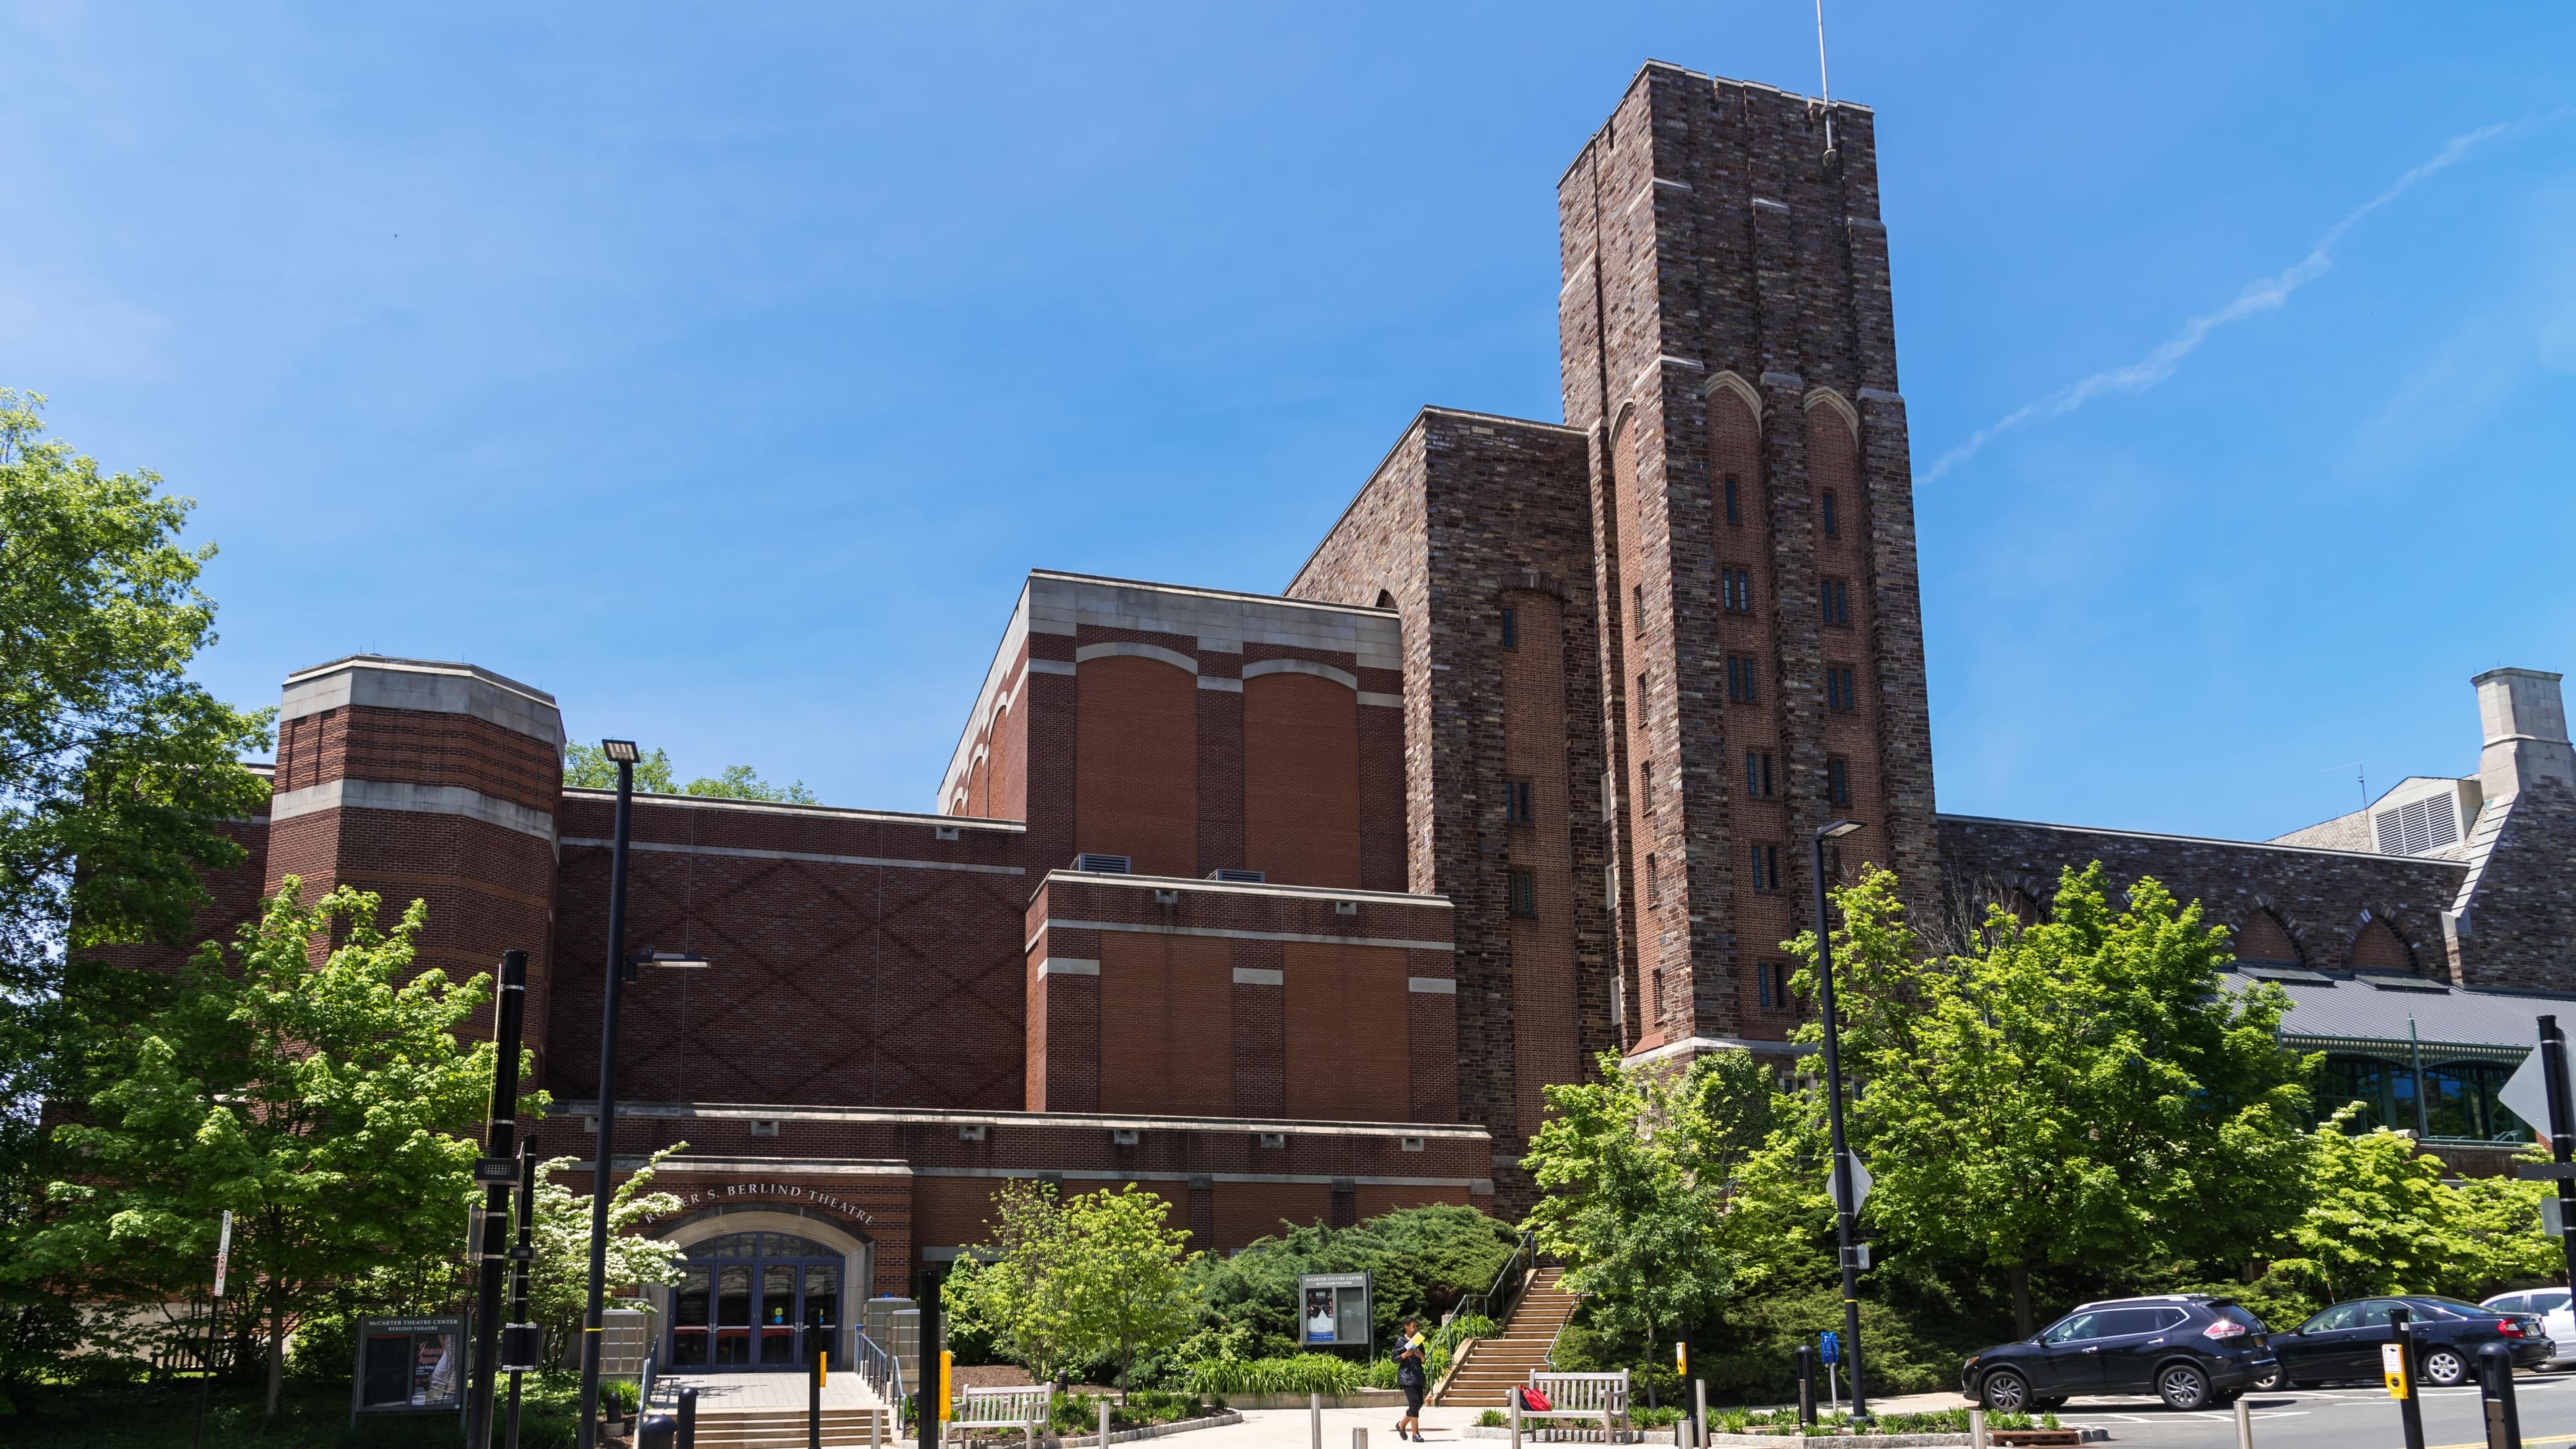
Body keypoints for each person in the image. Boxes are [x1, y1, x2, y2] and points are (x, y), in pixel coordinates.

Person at [1393, 1317, 1429, 1442]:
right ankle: (1415, 1434)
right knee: (1414, 1402)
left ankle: (1402, 1425)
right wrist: (1405, 1354)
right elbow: (1394, 1359)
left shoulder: (1418, 1340)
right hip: (1406, 1376)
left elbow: (1423, 1360)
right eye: (1413, 1326)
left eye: (1416, 1326)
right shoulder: (1400, 1341)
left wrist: (1422, 1357)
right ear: (1406, 1327)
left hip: (1418, 1375)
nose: (1415, 1328)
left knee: (1418, 1403)